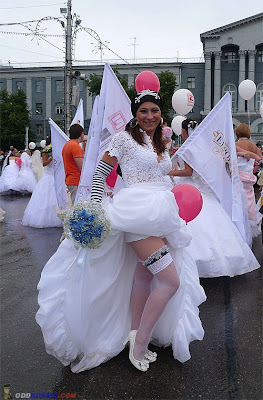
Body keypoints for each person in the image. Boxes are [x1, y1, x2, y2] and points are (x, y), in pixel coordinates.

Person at [36, 90, 206, 374]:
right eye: (143, 111)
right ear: (135, 114)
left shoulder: (161, 141)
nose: (149, 116)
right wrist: (95, 207)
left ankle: (134, 332)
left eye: (154, 111)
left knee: (143, 277)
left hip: (161, 214)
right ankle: (139, 346)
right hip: (136, 216)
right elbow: (101, 171)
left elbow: (161, 173)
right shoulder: (123, 139)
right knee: (170, 281)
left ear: (161, 113)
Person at [168, 119, 260, 278]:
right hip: (203, 190)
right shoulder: (204, 147)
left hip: (191, 189)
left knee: (194, 225)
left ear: (184, 131)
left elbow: (189, 172)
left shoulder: (189, 147)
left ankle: (195, 260)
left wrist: (169, 172)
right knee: (215, 225)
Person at [22, 136, 62, 228]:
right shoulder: (46, 150)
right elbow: (44, 163)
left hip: (56, 176)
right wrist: (51, 158)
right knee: (46, 198)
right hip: (49, 176)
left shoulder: (57, 149)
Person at [235, 123, 262, 236]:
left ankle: (238, 230)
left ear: (237, 133)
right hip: (249, 178)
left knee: (237, 203)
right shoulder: (253, 146)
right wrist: (253, 168)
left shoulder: (236, 144)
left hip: (238, 178)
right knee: (249, 202)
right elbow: (260, 161)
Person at [62, 124, 84, 204]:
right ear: (81, 134)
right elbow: (81, 167)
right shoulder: (75, 146)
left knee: (75, 204)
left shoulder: (67, 145)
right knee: (78, 206)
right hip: (76, 180)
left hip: (70, 179)